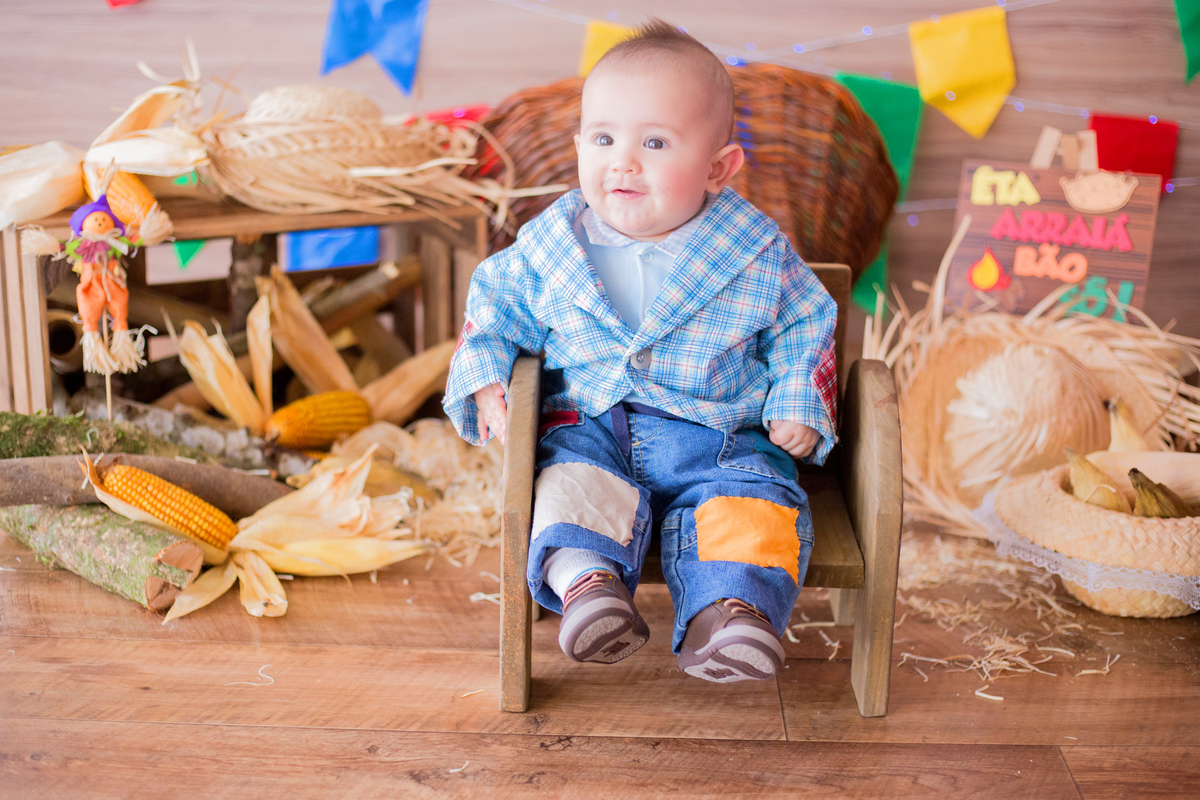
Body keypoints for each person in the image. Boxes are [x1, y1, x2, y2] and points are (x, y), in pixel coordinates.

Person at [444, 18, 837, 683]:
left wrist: (797, 398)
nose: (621, 161)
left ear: (718, 168)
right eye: (603, 139)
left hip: (717, 436)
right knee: (566, 491)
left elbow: (807, 322)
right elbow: (492, 311)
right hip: (591, 427)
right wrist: (488, 382)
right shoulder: (552, 245)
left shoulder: (754, 250)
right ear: (579, 147)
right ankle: (589, 590)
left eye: (655, 142)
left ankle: (731, 615)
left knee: (746, 507)